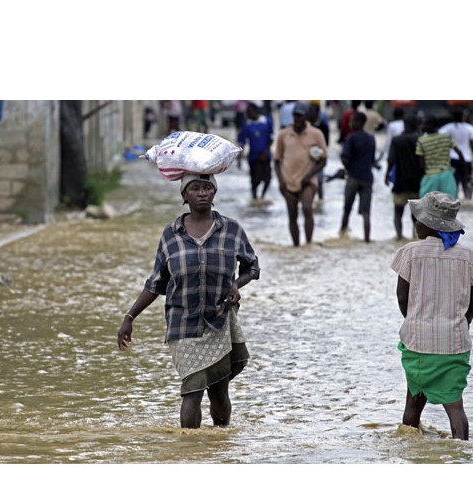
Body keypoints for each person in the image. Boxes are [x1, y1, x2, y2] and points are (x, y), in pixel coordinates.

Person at [117, 173, 260, 429]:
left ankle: (220, 442)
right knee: (191, 389)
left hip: (219, 321)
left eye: (207, 187)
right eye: (195, 188)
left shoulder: (231, 229)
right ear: (184, 195)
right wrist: (130, 318)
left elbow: (252, 266)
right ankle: (190, 451)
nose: (202, 193)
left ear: (214, 193)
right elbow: (156, 283)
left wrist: (237, 285)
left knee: (218, 389)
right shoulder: (171, 234)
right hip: (183, 324)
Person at [390, 191, 473, 440]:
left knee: (413, 403)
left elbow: (403, 298)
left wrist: (415, 320)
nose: (415, 224)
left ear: (426, 225)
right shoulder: (468, 257)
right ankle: (461, 450)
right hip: (454, 344)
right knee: (455, 406)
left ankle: (410, 449)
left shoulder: (410, 253)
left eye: (417, 220)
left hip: (417, 342)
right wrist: (462, 324)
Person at [274, 101, 328, 246]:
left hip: (308, 181)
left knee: (307, 208)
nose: (297, 120)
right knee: (292, 216)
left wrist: (309, 175)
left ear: (306, 117)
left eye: (300, 117)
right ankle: (296, 247)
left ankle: (309, 244)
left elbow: (323, 160)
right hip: (288, 181)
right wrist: (280, 182)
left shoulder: (316, 134)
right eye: (295, 116)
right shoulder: (284, 134)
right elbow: (277, 160)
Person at [385, 113, 424, 239]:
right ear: (415, 125)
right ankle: (416, 238)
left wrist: (386, 174)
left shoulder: (396, 140)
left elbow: (391, 160)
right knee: (417, 215)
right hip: (417, 183)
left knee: (398, 212)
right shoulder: (420, 139)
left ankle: (399, 236)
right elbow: (423, 162)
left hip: (400, 183)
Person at [339, 111, 375, 241]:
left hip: (353, 177)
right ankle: (367, 240)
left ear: (359, 123)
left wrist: (346, 169)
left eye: (352, 121)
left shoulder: (351, 138)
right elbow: (372, 160)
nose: (350, 123)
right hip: (367, 178)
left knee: (347, 210)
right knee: (366, 213)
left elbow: (344, 157)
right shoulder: (371, 138)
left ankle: (342, 236)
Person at [416, 114, 465, 197]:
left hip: (431, 177)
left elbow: (421, 164)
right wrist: (463, 171)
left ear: (431, 125)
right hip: (447, 176)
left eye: (424, 124)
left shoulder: (421, 141)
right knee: (449, 205)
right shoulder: (446, 137)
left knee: (427, 206)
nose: (421, 126)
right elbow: (460, 154)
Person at [439, 108, 473, 199]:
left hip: (452, 160)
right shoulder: (469, 128)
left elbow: (440, 140)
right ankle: (468, 199)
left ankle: (454, 202)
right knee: (466, 181)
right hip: (467, 160)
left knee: (454, 183)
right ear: (463, 116)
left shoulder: (447, 127)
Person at [237, 101, 274, 199]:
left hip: (266, 155)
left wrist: (265, 151)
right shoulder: (247, 124)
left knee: (267, 178)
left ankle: (262, 196)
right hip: (253, 157)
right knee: (255, 179)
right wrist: (239, 159)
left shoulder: (266, 121)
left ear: (256, 111)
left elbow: (271, 138)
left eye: (250, 112)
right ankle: (254, 197)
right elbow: (242, 142)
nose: (248, 114)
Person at [306, 102, 330, 199]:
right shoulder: (306, 126)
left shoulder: (323, 126)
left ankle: (320, 202)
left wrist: (317, 151)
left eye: (313, 111)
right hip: (306, 158)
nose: (311, 114)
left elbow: (326, 143)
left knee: (319, 181)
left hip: (318, 157)